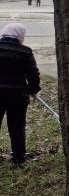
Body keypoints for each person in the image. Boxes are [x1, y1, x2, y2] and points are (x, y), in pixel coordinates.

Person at [0, 22, 41, 166]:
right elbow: (33, 74)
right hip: (18, 96)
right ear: (19, 37)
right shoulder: (25, 52)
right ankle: (18, 158)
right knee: (17, 126)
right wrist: (32, 89)